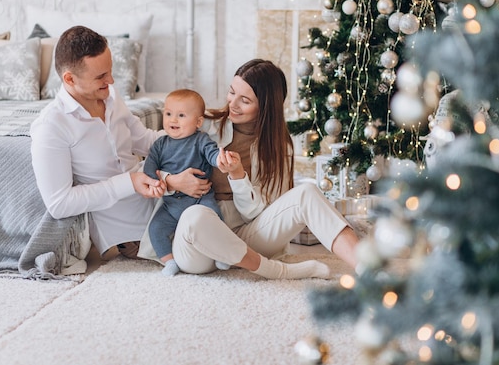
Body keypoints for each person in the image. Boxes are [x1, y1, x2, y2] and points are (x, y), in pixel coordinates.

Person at [139, 59, 360, 279]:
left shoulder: (278, 147)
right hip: (199, 246)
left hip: (249, 234)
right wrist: (172, 181)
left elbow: (256, 213)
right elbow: (151, 159)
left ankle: (369, 270)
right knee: (194, 216)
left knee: (308, 193)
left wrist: (238, 176)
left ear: (265, 106)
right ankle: (278, 272)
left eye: (244, 100)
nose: (233, 104)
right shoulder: (203, 123)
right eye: (231, 92)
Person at [30, 25, 168, 260]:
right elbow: (59, 203)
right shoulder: (51, 126)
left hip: (161, 197)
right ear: (69, 79)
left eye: (110, 71)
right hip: (130, 231)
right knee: (207, 246)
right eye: (101, 76)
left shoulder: (110, 96)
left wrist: (191, 139)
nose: (111, 80)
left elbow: (144, 140)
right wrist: (130, 183)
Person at [143, 88, 228, 276]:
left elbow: (212, 153)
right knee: (156, 228)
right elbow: (149, 168)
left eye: (181, 115)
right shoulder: (160, 144)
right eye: (168, 114)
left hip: (200, 199)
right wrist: (155, 181)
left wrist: (220, 159)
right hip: (171, 204)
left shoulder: (201, 140)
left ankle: (221, 253)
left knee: (214, 218)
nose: (173, 120)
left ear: (198, 122)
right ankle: (169, 261)